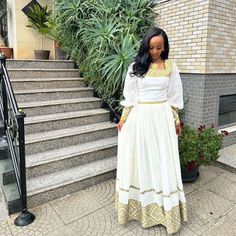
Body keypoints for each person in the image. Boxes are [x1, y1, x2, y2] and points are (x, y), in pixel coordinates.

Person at [115, 27, 187, 235]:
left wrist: (176, 121)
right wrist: (123, 120)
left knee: (162, 160)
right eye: (151, 47)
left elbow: (173, 98)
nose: (155, 51)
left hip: (162, 119)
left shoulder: (171, 67)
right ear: (146, 46)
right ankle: (141, 208)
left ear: (164, 47)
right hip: (140, 117)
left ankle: (166, 209)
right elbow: (130, 97)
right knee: (142, 160)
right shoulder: (135, 67)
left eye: (159, 47)